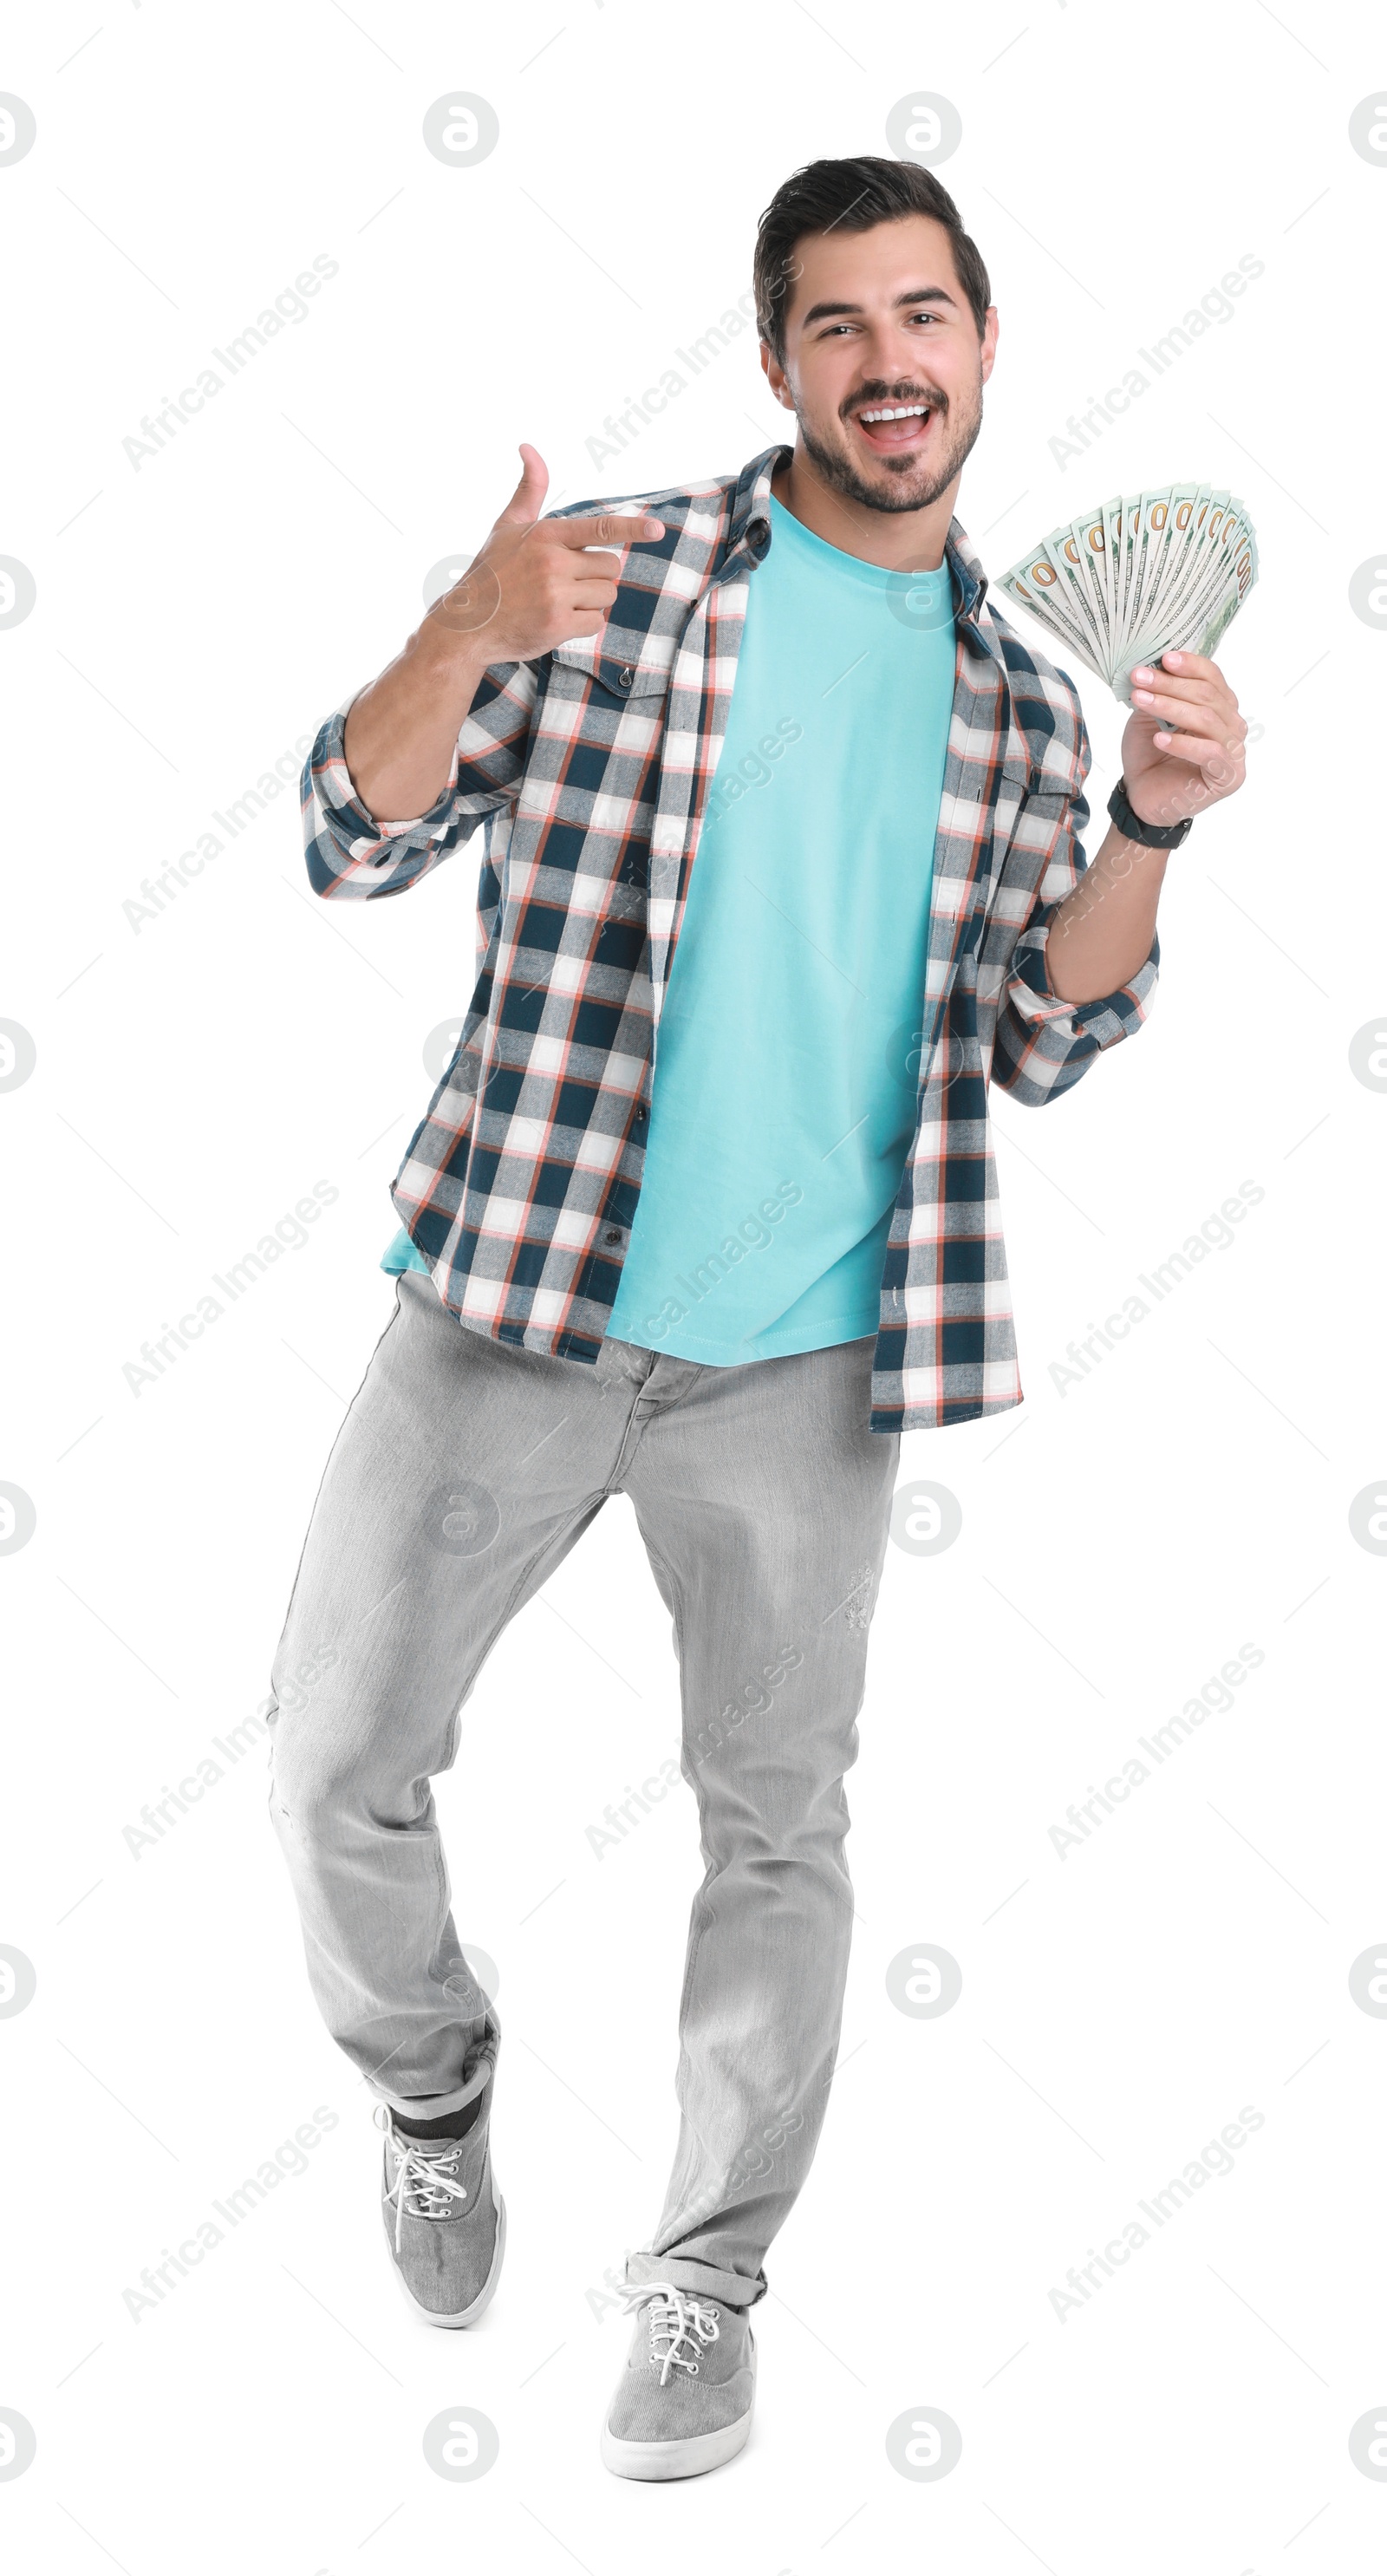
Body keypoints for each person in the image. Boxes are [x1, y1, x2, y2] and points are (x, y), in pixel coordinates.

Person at [266, 153, 1248, 2482]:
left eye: (926, 316)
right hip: (509, 1296)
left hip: (810, 1373)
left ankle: (703, 2278)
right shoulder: (602, 582)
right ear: (779, 360)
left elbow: (1041, 1028)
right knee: (325, 1770)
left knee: (778, 1836)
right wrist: (464, 632)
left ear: (985, 349)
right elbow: (343, 828)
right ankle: (434, 2075)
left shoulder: (1022, 704)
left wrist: (1155, 829)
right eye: (838, 324)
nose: (889, 362)